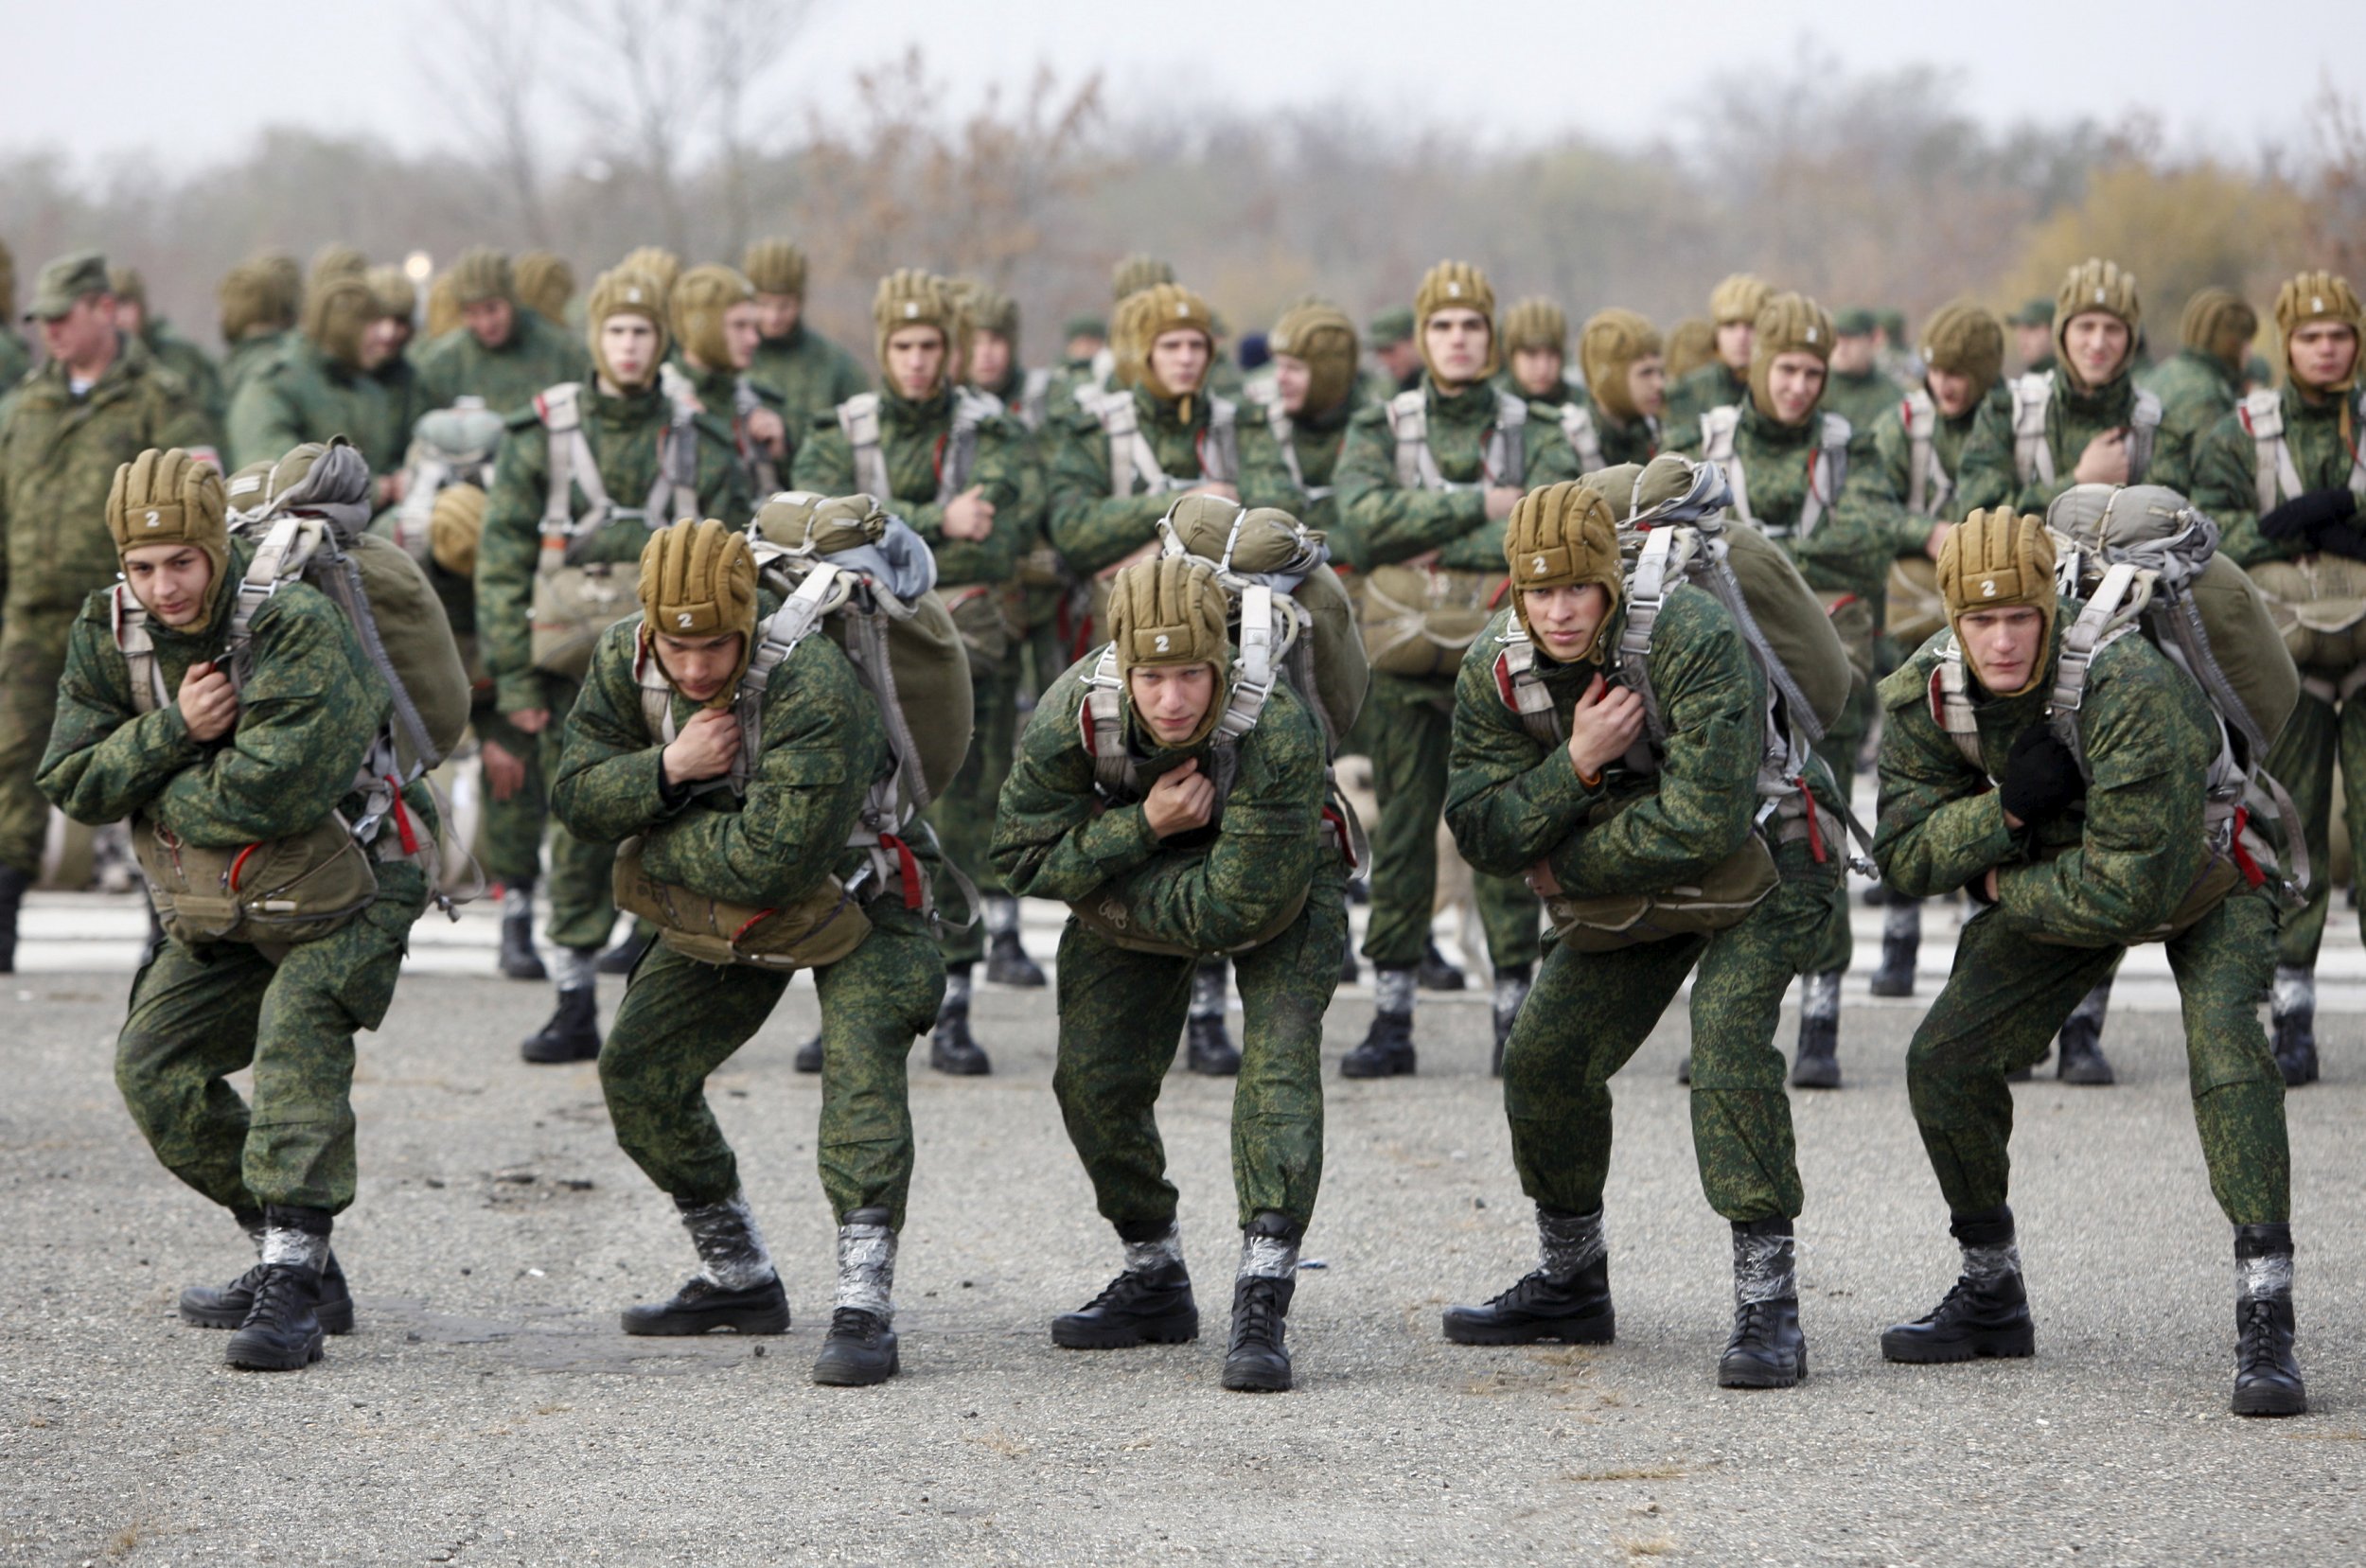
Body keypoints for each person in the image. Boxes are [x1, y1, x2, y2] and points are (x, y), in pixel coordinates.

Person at [1872, 508, 2303, 1418]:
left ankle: (2267, 1314)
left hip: (2206, 867)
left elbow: (2132, 895)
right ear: (1951, 618)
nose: (2000, 638)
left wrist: (1996, 886)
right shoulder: (1928, 690)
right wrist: (2007, 814)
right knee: (1943, 1061)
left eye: (2019, 616)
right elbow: (1903, 857)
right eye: (1979, 620)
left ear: (2051, 609)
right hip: (2060, 861)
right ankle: (1991, 1291)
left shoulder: (2124, 681)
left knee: (2225, 1049)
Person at [1439, 471, 1844, 1387]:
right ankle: (1571, 1277)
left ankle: (1768, 1304)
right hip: (1638, 871)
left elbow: (1704, 818)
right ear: (1515, 590)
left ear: (1609, 584)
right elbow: (1481, 827)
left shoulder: (1686, 633)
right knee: (1543, 1056)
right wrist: (1574, 765)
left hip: (1770, 849)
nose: (1560, 610)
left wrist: (1566, 863)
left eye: (1578, 587)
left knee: (1727, 1038)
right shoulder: (1494, 672)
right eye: (1539, 591)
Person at [41, 446, 438, 1370]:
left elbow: (273, 792)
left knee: (301, 1029)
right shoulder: (109, 633)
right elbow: (70, 779)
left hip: (355, 883)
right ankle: (289, 1255)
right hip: (226, 897)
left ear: (217, 549)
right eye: (141, 567)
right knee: (155, 1068)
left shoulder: (293, 624)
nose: (163, 585)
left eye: (182, 561)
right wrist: (177, 729)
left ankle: (294, 1292)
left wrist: (146, 781)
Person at [544, 516, 940, 1385]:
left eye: (715, 645)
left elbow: (773, 859)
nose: (692, 667)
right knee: (639, 1072)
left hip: (865, 891)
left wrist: (649, 841)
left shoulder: (812, 681)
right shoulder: (627, 657)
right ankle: (740, 1275)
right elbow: (574, 797)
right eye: (674, 645)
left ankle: (865, 1305)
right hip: (730, 903)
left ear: (747, 623)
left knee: (859, 1069)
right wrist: (668, 769)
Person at [993, 554, 1348, 1392]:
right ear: (1123, 665)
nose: (1174, 699)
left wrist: (1107, 893)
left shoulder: (1276, 723)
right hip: (1144, 857)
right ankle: (1154, 1274)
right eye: (1153, 677)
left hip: (1283, 882)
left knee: (1278, 1064)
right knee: (1093, 1080)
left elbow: (1238, 910)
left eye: (1192, 674)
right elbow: (1019, 859)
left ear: (1221, 665)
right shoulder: (1076, 709)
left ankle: (1263, 1294)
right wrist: (1140, 828)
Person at [475, 267, 751, 1063]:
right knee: (578, 826)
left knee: (677, 816)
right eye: (616, 332)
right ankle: (571, 997)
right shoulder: (545, 434)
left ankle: (653, 988)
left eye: (643, 332)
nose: (629, 347)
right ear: (595, 338)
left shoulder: (698, 434)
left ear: (662, 340)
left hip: (680, 662)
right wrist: (517, 683)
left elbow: (737, 565)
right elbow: (502, 566)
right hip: (567, 670)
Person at [1333, 260, 1579, 1075]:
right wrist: (1478, 507)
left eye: (1472, 325)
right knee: (1400, 837)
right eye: (1443, 325)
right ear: (1423, 334)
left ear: (1492, 334)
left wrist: (1426, 544)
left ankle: (1517, 1014)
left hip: (1503, 662)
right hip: (1403, 669)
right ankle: (1393, 1020)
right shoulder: (1383, 424)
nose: (1459, 339)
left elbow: (1551, 527)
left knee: (1507, 833)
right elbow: (1361, 528)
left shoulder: (1531, 425)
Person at [794, 269, 1040, 1075]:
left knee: (960, 825)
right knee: (845, 821)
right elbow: (816, 532)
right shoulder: (842, 428)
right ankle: (841, 996)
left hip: (966, 656)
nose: (917, 361)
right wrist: (939, 519)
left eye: (931, 345)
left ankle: (956, 1003)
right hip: (856, 654)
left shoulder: (993, 431)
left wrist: (880, 532)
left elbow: (1000, 542)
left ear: (952, 347)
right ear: (882, 347)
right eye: (902, 345)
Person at [1955, 258, 2192, 1085]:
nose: (2097, 342)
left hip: (2128, 647)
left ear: (2131, 340)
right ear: (2061, 334)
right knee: (2012, 808)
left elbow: (2200, 525)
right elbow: (1973, 514)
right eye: (2084, 327)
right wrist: (2079, 485)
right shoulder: (2011, 408)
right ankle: (2009, 1010)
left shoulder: (2160, 419)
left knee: (2109, 827)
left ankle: (2085, 1018)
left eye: (2113, 329)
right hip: (2016, 645)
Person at [1678, 291, 1898, 1088]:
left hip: (1825, 659)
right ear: (1759, 365)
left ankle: (1822, 1013)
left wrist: (1740, 549)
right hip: (1722, 659)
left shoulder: (1850, 447)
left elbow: (1870, 536)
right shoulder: (1704, 439)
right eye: (1787, 370)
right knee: (1714, 827)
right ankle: (1722, 1009)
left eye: (1814, 372)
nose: (1801, 386)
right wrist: (1796, 557)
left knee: (1821, 826)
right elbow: (1663, 530)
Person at [0, 253, 216, 970]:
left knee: (153, 759)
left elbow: (201, 499)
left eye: (65, 317)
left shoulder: (160, 396)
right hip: (32, 614)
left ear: (104, 309)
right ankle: (3, 912)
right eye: (43, 321)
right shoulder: (25, 404)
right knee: (14, 758)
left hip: (131, 614)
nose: (52, 332)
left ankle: (167, 924)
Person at [2191, 270, 2366, 1085]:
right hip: (2286, 671)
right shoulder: (2243, 430)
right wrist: (2281, 529)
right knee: (2286, 836)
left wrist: (2344, 526)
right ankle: (2291, 1008)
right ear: (2285, 343)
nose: (2326, 350)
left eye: (2339, 336)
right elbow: (2201, 528)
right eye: (2310, 337)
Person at [1860, 299, 2009, 996]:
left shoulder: (2008, 421)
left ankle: (1987, 945)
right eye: (1936, 369)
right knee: (1908, 787)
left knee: (1994, 788)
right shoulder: (1903, 425)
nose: (1944, 383)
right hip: (1910, 626)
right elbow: (1865, 507)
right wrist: (1927, 532)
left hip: (1994, 633)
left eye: (1959, 372)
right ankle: (1897, 938)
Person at [226, 272, 402, 479]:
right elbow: (275, 472)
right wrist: (376, 490)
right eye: (372, 326)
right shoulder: (274, 383)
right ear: (345, 330)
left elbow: (383, 461)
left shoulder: (368, 389)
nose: (385, 335)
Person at [415, 248, 592, 420]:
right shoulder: (445, 363)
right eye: (472, 313)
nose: (485, 324)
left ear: (511, 301)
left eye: (492, 309)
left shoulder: (564, 353)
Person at [664, 264, 792, 496]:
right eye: (739, 326)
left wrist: (779, 454)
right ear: (704, 328)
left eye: (754, 327)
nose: (754, 339)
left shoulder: (759, 403)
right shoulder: (659, 402)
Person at [741, 238, 869, 429]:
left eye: (785, 306)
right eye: (763, 304)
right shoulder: (732, 359)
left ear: (800, 302)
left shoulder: (833, 364)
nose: (773, 317)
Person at [2143, 287, 2257, 471]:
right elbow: (2214, 473)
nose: (2250, 352)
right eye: (2247, 341)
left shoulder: (2166, 371)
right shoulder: (2207, 396)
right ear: (2231, 344)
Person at [109, 265, 226, 426]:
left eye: (124, 304)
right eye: (110, 308)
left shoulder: (181, 358)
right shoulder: (94, 367)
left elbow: (212, 418)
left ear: (141, 308)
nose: (118, 318)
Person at [1665, 273, 1771, 428]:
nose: (1741, 337)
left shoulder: (1791, 390)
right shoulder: (1687, 394)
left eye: (1751, 326)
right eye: (1730, 325)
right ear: (1716, 334)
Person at [1576, 309, 1665, 469]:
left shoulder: (1659, 433)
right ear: (1613, 379)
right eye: (1646, 373)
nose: (1658, 384)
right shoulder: (1568, 444)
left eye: (1660, 372)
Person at [1822, 309, 1903, 433]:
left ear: (1874, 339)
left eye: (1850, 339)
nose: (1841, 348)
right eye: (1837, 339)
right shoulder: (1816, 387)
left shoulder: (1891, 397)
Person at [1367, 307, 1421, 397]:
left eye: (1390, 350)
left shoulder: (1443, 383)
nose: (1385, 361)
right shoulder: (1380, 392)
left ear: (1414, 342)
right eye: (1379, 352)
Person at [2009, 298, 2057, 378]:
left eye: (2031, 328)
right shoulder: (2024, 381)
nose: (2023, 337)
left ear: (2054, 331)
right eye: (2020, 329)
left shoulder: (2069, 382)